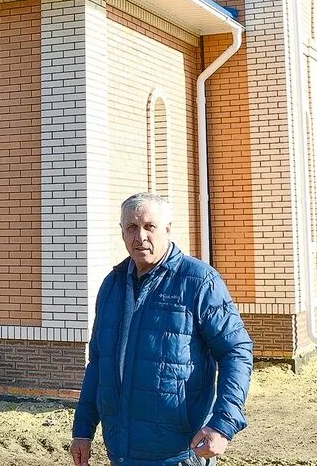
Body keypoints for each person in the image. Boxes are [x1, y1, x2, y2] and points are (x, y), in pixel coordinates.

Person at [71, 193, 253, 466]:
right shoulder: (112, 285)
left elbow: (236, 352)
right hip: (121, 453)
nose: (140, 236)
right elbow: (98, 363)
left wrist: (222, 425)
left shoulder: (199, 282)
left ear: (167, 229)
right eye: (131, 228)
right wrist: (83, 430)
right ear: (122, 233)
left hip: (179, 454)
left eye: (149, 226)